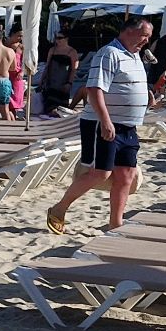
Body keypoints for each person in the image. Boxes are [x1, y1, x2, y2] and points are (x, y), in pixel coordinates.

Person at [46, 15, 153, 234]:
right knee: (100, 173)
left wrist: (144, 96)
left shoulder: (135, 56)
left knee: (126, 175)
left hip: (128, 125)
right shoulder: (109, 53)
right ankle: (59, 208)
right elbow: (94, 90)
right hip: (102, 123)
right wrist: (105, 120)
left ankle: (116, 224)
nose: (146, 41)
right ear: (129, 31)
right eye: (144, 36)